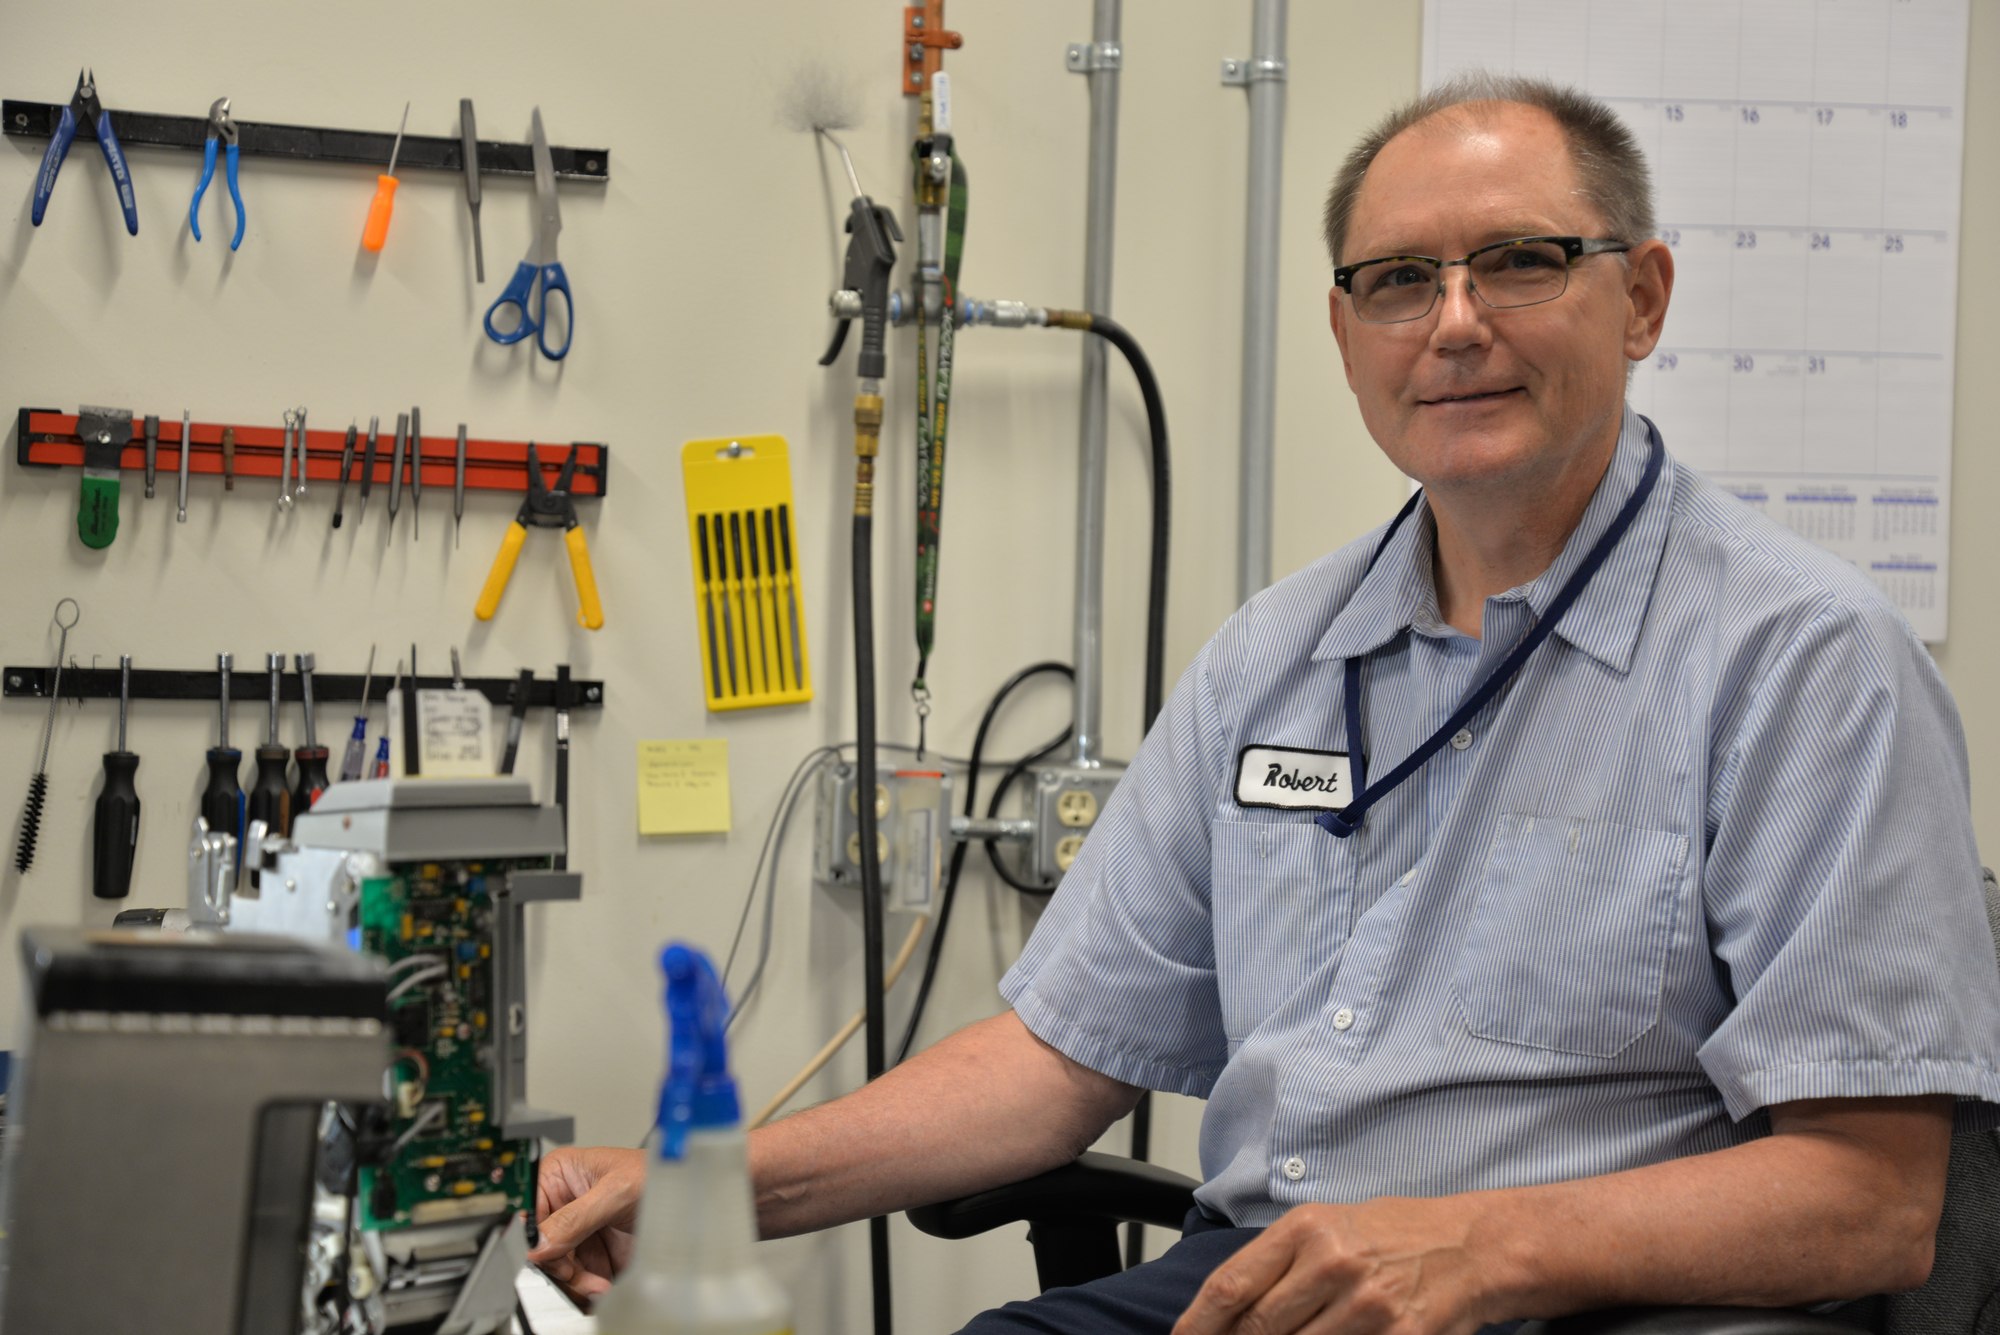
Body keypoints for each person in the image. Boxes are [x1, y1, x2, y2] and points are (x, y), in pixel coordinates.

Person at [532, 73, 2000, 1334]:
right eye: (1401, 281)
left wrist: (1475, 1250)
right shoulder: (1275, 660)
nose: (1456, 323)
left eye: (1523, 262)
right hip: (1269, 1291)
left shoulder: (1803, 663)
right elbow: (1056, 1063)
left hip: (1594, 1306)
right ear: (1347, 328)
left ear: (1645, 298)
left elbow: (1873, 1203)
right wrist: (711, 1181)